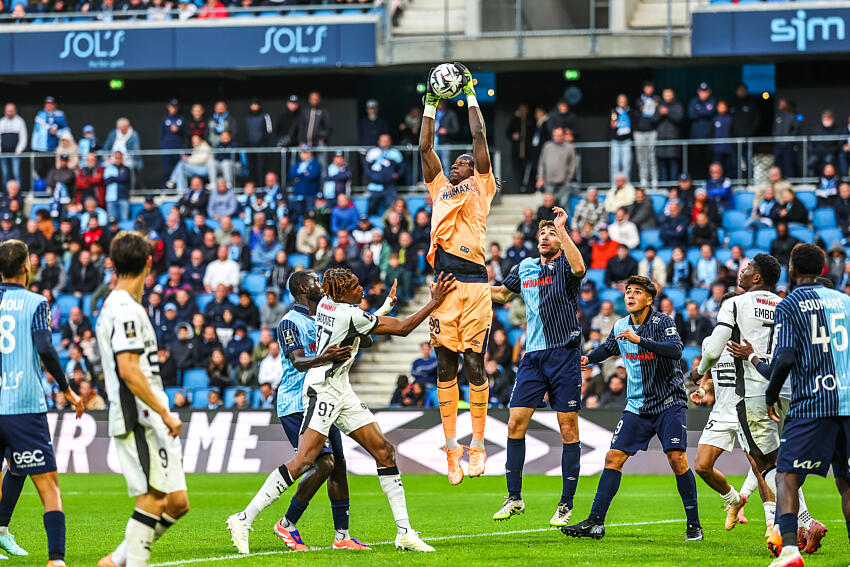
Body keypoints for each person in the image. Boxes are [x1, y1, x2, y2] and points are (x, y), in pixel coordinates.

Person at [228, 268, 456, 554]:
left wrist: (384, 308)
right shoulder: (341, 313)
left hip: (341, 389)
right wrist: (434, 301)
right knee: (307, 460)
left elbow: (359, 326)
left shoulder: (326, 305)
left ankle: (404, 532)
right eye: (356, 286)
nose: (362, 289)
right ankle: (244, 518)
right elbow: (401, 329)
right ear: (343, 292)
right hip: (322, 390)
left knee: (384, 451)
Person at [227, 270, 369, 553]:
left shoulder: (325, 316)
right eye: (316, 281)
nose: (321, 285)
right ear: (303, 288)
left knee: (338, 466)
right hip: (296, 403)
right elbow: (298, 361)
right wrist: (326, 357)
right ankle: (262, 520)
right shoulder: (289, 322)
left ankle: (342, 536)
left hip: (325, 399)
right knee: (322, 464)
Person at [696, 254, 824, 555]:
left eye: (748, 267)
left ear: (757, 277)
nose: (742, 270)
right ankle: (794, 524)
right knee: (780, 460)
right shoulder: (785, 304)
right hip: (786, 389)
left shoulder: (735, 303)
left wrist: (699, 371)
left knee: (766, 464)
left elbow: (713, 349)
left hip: (753, 393)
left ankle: (802, 524)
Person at [563, 276, 702, 542]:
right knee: (613, 457)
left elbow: (676, 350)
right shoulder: (621, 325)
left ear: (649, 299)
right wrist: (588, 358)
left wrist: (640, 340)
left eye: (637, 292)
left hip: (669, 402)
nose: (630, 296)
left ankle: (694, 526)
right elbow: (609, 347)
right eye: (628, 291)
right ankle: (595, 522)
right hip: (637, 405)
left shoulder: (662, 322)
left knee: (676, 458)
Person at [740, 244, 849, 566]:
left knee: (786, 474)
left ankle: (789, 550)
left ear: (792, 269)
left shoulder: (790, 304)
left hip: (813, 402)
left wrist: (770, 395)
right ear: (823, 268)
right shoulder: (845, 301)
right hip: (847, 400)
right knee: (846, 482)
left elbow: (785, 357)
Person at [420, 63, 497, 484]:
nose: (459, 163)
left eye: (465, 162)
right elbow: (425, 147)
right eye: (457, 162)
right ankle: (452, 448)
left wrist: (469, 92)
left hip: (475, 285)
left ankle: (478, 445)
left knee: (474, 366)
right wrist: (430, 103)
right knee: (444, 367)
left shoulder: (481, 186)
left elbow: (479, 135)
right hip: (444, 286)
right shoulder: (440, 188)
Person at [96, 231, 190, 567]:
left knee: (176, 503)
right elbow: (129, 370)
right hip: (138, 416)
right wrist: (164, 412)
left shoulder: (125, 305)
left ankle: (117, 560)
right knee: (151, 501)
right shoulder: (124, 309)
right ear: (149, 263)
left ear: (113, 263)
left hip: (150, 415)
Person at [489, 209, 586, 527]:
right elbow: (502, 294)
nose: (546, 236)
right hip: (532, 357)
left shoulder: (566, 266)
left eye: (551, 233)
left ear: (560, 240)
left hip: (564, 354)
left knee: (568, 429)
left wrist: (562, 229)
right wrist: (466, 288)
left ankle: (566, 503)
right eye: (543, 232)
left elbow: (580, 268)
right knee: (514, 424)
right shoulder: (525, 267)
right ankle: (514, 497)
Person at [0, 240, 84, 564]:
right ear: (27, 266)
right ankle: (56, 559)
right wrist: (67, 388)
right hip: (23, 404)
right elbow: (46, 348)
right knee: (49, 487)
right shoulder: (36, 302)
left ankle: (2, 529)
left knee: (17, 469)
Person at [689, 292, 765, 533]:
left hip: (747, 410)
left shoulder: (752, 341)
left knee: (761, 468)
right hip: (721, 412)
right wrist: (703, 389)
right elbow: (710, 371)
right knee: (702, 466)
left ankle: (772, 524)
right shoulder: (710, 342)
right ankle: (734, 500)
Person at [535, 127, 577, 201]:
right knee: (549, 203)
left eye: (559, 135)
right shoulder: (547, 146)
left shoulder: (569, 147)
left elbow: (573, 164)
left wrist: (569, 177)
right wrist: (540, 178)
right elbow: (542, 163)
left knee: (563, 203)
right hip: (549, 181)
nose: (557, 137)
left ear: (563, 136)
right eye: (555, 135)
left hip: (564, 182)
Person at [633, 80, 659, 189]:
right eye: (646, 87)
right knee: (641, 158)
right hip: (640, 133)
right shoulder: (639, 100)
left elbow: (657, 115)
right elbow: (635, 115)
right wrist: (635, 130)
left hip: (652, 131)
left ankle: (654, 180)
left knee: (652, 157)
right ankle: (643, 180)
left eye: (650, 87)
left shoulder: (656, 100)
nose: (648, 90)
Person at [656, 88, 684, 182]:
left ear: (673, 95)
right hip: (661, 138)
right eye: (665, 95)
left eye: (669, 94)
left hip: (673, 138)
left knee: (673, 162)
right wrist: (660, 113)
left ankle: (673, 184)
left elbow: (679, 118)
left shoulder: (677, 106)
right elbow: (652, 120)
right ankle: (663, 184)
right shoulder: (659, 106)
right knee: (662, 163)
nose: (667, 97)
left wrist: (668, 112)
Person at [159, 99, 185, 185]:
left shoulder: (181, 119)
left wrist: (178, 130)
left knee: (179, 169)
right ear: (168, 107)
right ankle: (165, 188)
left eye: (175, 107)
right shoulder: (165, 119)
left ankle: (179, 188)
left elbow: (185, 134)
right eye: (172, 107)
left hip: (178, 149)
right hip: (167, 149)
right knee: (166, 170)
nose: (173, 109)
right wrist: (163, 147)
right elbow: (161, 134)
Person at [0, 103, 27, 185]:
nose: (9, 113)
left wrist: (19, 149)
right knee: (5, 174)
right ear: (5, 112)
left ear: (15, 111)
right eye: (8, 111)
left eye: (11, 111)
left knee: (16, 173)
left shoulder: (20, 121)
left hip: (15, 153)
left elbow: (23, 137)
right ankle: (6, 192)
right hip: (3, 153)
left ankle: (17, 192)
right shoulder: (1, 121)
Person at [608, 94, 632, 182]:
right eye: (620, 100)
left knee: (626, 164)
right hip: (616, 141)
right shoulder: (614, 112)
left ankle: (626, 185)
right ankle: (615, 184)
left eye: (624, 100)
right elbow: (611, 126)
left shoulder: (630, 111)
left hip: (626, 140)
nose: (622, 102)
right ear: (617, 102)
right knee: (615, 164)